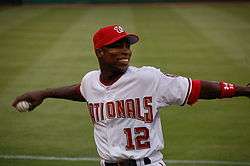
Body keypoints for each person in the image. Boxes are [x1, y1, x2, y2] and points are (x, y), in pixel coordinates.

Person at [12, 25, 250, 166]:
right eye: (117, 46)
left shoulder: (148, 79)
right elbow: (81, 91)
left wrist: (244, 90)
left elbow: (198, 88)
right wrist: (43, 93)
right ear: (100, 52)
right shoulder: (90, 81)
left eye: (127, 45)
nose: (125, 51)